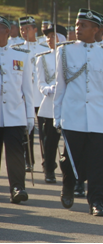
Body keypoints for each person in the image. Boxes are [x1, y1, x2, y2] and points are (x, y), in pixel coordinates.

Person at [54, 8, 103, 216]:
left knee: (97, 163)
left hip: (98, 118)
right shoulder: (64, 51)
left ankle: (96, 202)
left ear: (96, 29)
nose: (77, 28)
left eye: (83, 25)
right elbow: (60, 86)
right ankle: (68, 186)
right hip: (72, 116)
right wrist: (57, 115)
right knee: (70, 159)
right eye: (77, 24)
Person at [0, 16, 34, 204]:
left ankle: (17, 187)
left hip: (14, 115)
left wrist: (30, 116)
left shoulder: (20, 56)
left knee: (15, 154)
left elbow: (27, 89)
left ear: (7, 32)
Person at [13, 16, 49, 172]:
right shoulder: (17, 49)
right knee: (27, 132)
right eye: (22, 29)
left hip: (42, 97)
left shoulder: (44, 49)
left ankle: (47, 163)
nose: (24, 31)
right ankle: (29, 161)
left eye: (27, 28)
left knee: (45, 134)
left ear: (35, 29)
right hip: (26, 96)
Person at [35, 24, 67, 183]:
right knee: (50, 141)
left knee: (70, 141)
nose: (49, 39)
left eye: (53, 36)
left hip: (68, 103)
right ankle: (49, 170)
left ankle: (69, 170)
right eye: (47, 36)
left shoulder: (69, 55)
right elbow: (40, 83)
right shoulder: (42, 58)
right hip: (49, 105)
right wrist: (49, 88)